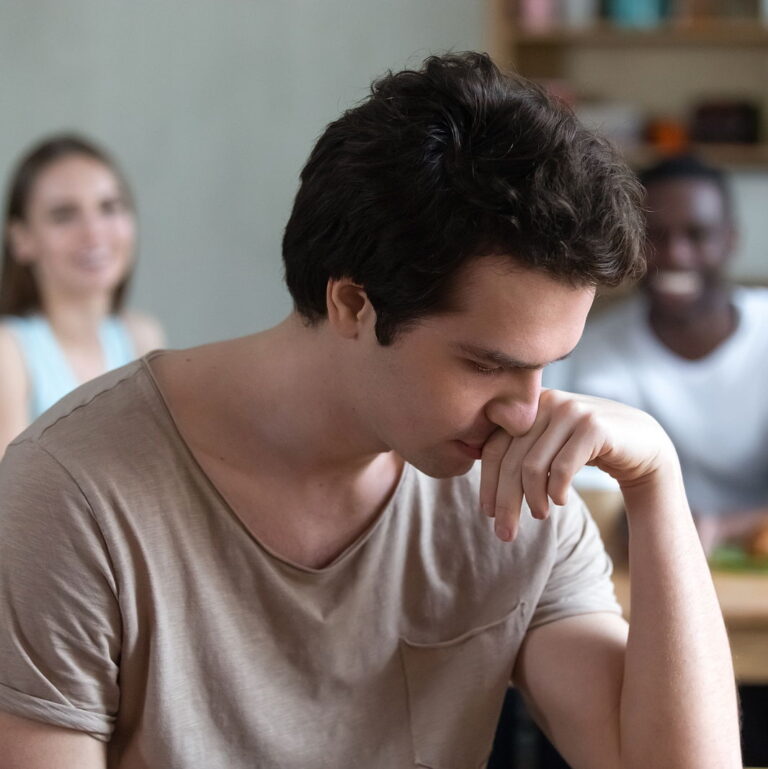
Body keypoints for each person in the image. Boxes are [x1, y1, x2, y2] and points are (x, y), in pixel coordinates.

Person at [0, 54, 740, 769]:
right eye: (488, 364)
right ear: (353, 302)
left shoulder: (514, 496)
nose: (526, 411)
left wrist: (657, 481)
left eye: (548, 365)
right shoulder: (70, 492)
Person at [545, 154, 768, 556]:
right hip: (638, 560)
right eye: (655, 236)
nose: (676, 255)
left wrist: (719, 526)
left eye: (697, 235)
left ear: (731, 239)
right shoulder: (585, 352)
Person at [0, 134, 165, 454]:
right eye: (64, 214)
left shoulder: (143, 338)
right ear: (21, 239)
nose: (94, 232)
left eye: (109, 207)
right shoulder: (8, 352)